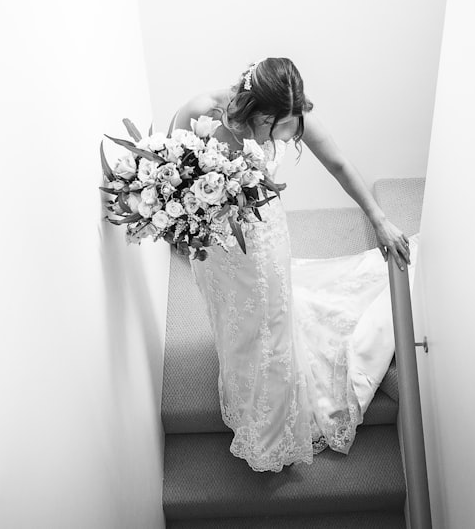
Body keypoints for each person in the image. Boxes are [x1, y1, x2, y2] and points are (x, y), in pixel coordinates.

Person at [170, 57, 412, 472]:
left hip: (264, 240)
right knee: (234, 324)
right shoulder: (200, 112)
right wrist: (188, 235)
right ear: (254, 109)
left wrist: (380, 219)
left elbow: (337, 163)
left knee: (272, 322)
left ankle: (272, 426)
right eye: (276, 123)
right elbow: (172, 178)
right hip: (217, 250)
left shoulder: (294, 115)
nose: (286, 130)